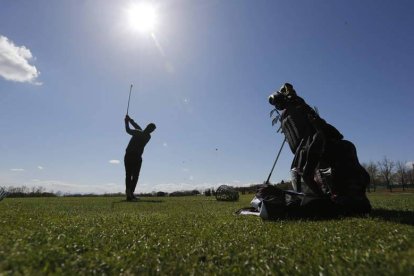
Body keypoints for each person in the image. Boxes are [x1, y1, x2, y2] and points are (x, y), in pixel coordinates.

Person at [124, 115, 156, 201]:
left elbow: (128, 130)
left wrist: (126, 122)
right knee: (133, 176)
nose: (151, 131)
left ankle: (129, 193)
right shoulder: (146, 135)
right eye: (152, 129)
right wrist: (130, 120)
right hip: (135, 157)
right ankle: (130, 193)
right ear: (150, 129)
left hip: (130, 155)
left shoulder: (141, 133)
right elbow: (138, 128)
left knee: (130, 175)